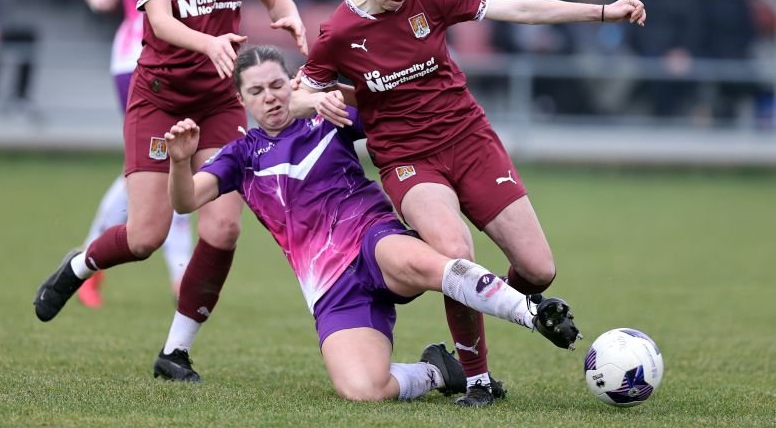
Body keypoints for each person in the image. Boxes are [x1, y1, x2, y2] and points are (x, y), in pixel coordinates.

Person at [297, 0, 646, 407]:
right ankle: (477, 377)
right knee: (455, 251)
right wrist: (313, 97)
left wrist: (602, 13)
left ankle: (502, 300)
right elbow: (297, 92)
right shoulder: (338, 34)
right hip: (409, 159)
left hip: (470, 140)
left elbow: (517, 8)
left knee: (538, 269)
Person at [33, 0, 308, 376]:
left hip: (220, 103)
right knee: (145, 236)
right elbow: (158, 20)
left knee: (223, 228)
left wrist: (288, 12)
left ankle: (176, 351)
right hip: (159, 98)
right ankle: (80, 263)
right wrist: (207, 41)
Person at [158, 44, 563, 402]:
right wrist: (179, 161)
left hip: (372, 239)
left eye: (277, 85)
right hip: (330, 287)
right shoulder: (241, 155)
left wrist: (335, 95)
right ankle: (440, 370)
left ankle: (530, 312)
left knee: (434, 265)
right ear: (240, 98)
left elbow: (395, 114)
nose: (271, 98)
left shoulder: (326, 116)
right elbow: (187, 199)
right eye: (257, 91)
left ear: (293, 81)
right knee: (363, 389)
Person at [75, 0, 193, 308]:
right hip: (136, 59)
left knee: (168, 164)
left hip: (188, 64)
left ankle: (91, 261)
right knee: (156, 164)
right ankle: (177, 274)